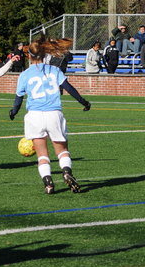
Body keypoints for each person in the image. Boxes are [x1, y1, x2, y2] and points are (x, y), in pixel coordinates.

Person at [8, 37, 91, 194]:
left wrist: (13, 112)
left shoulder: (24, 75)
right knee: (62, 150)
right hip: (54, 114)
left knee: (42, 155)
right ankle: (66, 172)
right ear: (44, 54)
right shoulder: (54, 70)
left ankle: (48, 183)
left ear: (29, 55)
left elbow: (18, 99)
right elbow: (69, 88)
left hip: (34, 116)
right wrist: (84, 102)